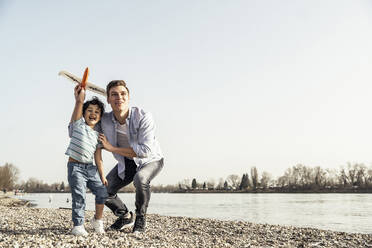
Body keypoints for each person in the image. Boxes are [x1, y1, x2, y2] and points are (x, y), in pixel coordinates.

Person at [97, 80, 164, 233]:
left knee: (140, 179)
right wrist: (79, 101)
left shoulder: (143, 116)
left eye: (123, 94)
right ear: (108, 99)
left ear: (128, 97)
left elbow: (145, 150)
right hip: (127, 162)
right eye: (114, 94)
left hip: (151, 160)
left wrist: (112, 148)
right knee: (102, 190)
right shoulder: (105, 120)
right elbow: (82, 129)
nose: (119, 97)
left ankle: (141, 219)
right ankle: (125, 216)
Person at [65, 85, 109, 236]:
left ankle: (98, 219)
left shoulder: (98, 135)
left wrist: (102, 176)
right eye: (89, 110)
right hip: (75, 167)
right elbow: (78, 105)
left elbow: (99, 158)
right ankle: (78, 225)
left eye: (97, 112)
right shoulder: (78, 125)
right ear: (83, 113)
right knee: (79, 195)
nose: (93, 114)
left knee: (102, 192)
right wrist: (79, 99)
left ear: (100, 117)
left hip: (90, 169)